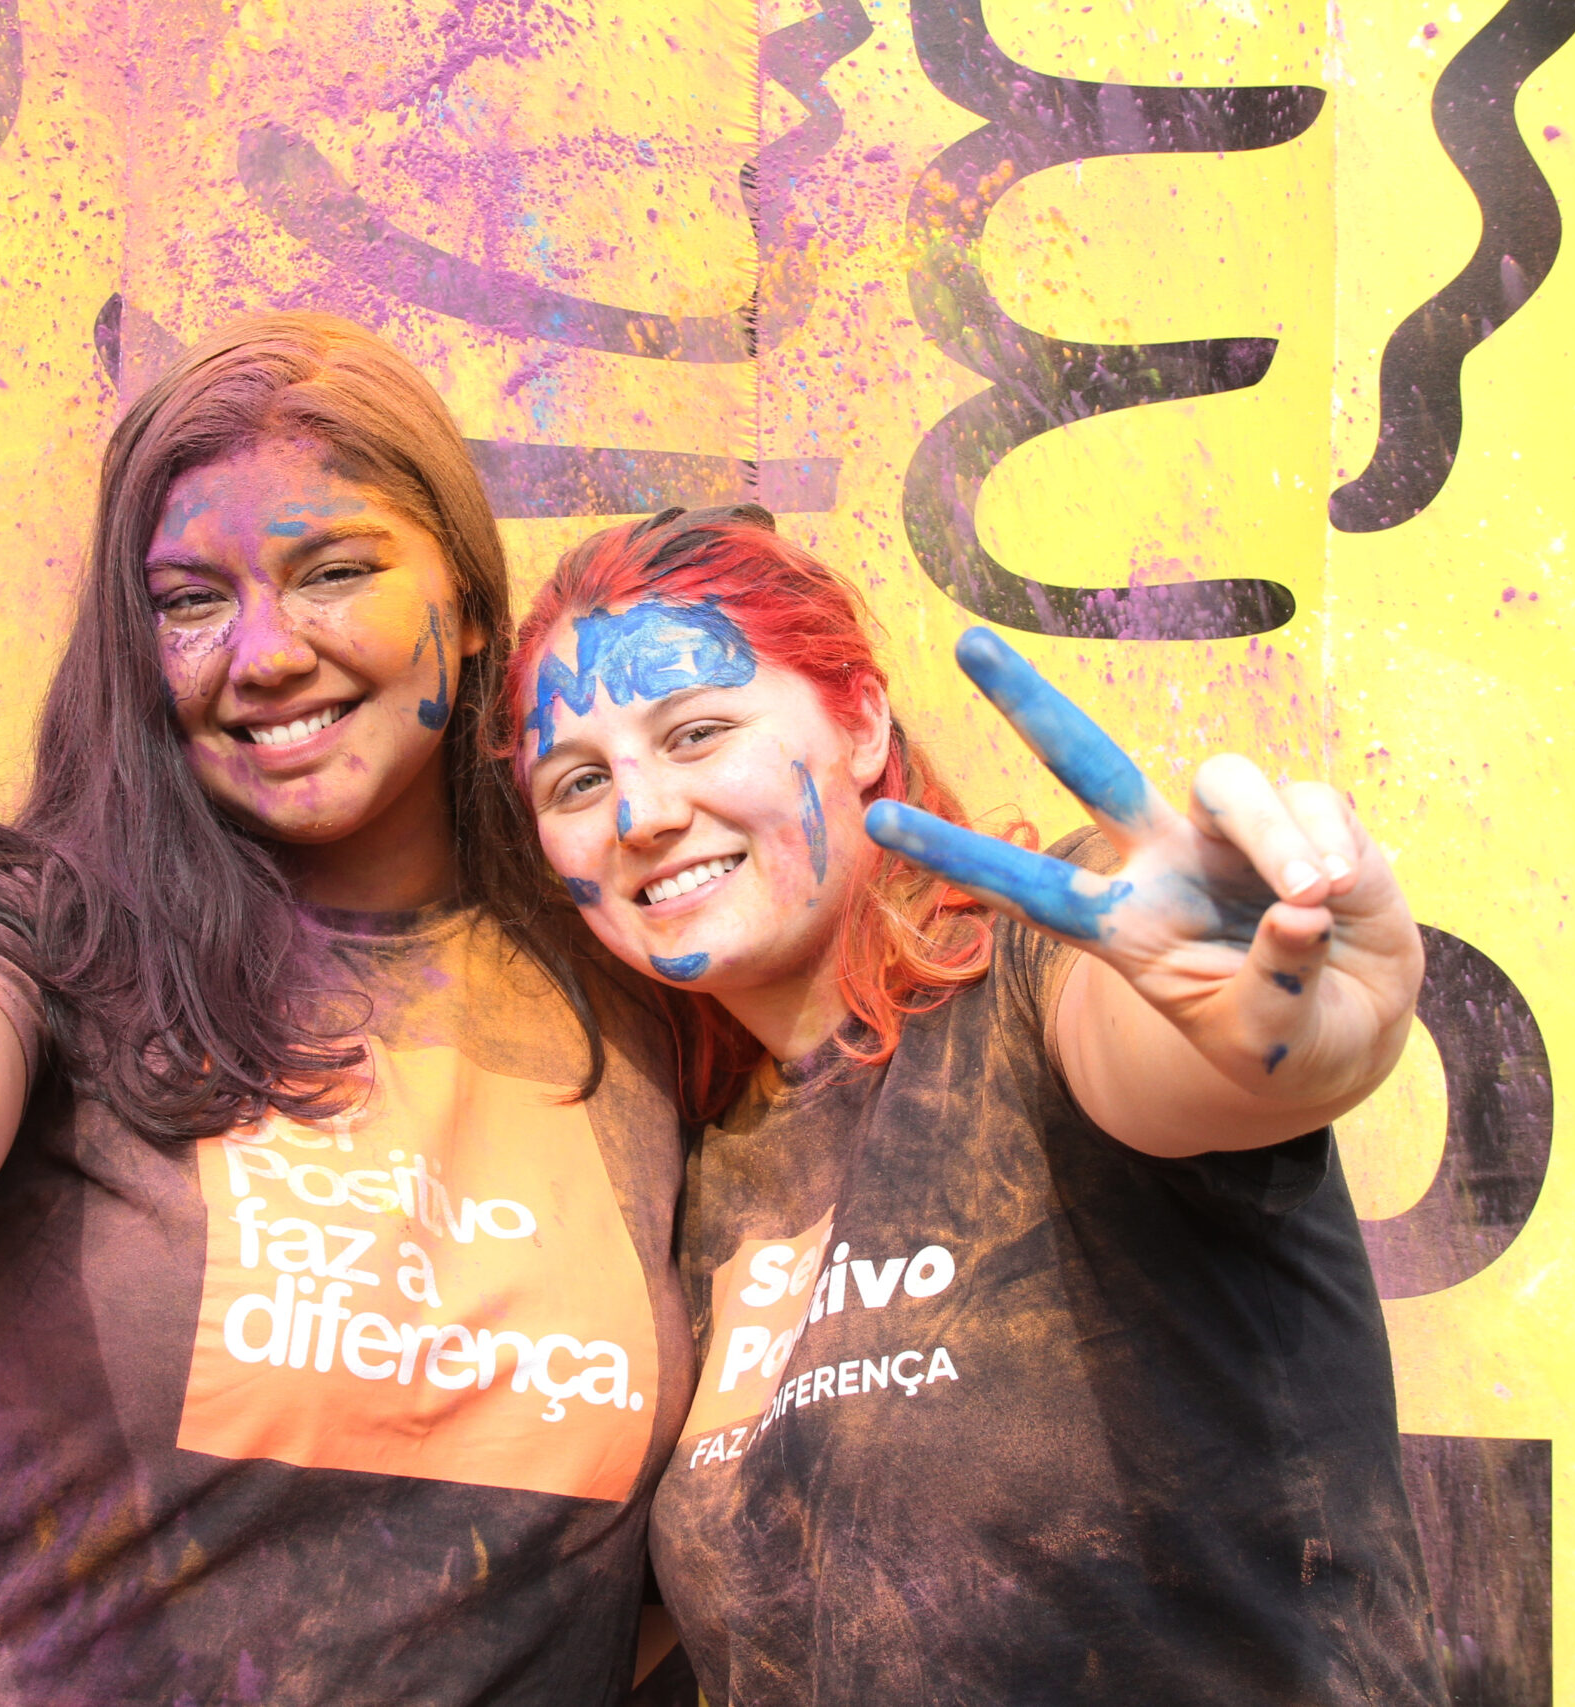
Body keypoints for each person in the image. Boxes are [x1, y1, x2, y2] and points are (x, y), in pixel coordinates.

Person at [0, 313, 697, 1705]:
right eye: (189, 601)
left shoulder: (637, 982)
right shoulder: (43, 926)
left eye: (335, 570)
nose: (266, 651)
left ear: (466, 602)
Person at [504, 505, 1447, 1706]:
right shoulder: (694, 1178)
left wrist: (1279, 1040)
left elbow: (1178, 1055)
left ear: (857, 722)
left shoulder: (1036, 987)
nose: (639, 816)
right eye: (578, 781)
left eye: (696, 733)